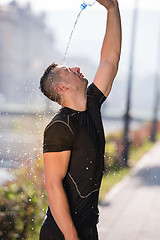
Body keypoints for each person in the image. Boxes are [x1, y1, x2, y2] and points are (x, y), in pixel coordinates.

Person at [39, 0, 121, 239]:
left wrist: (112, 8)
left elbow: (110, 60)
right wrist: (71, 236)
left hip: (87, 229)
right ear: (62, 87)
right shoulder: (59, 127)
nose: (76, 68)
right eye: (69, 71)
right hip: (62, 233)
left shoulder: (92, 103)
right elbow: (53, 186)